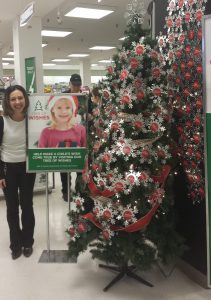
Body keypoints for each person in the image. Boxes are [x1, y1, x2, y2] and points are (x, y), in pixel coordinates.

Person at [0, 85, 36, 260]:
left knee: (27, 206)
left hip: (28, 168)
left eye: (20, 98)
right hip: (8, 169)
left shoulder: (32, 119)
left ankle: (28, 241)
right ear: (8, 101)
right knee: (12, 208)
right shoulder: (2, 121)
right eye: (13, 99)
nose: (17, 102)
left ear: (25, 99)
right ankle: (15, 244)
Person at [61, 74, 83, 201]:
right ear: (70, 84)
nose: (76, 87)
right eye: (74, 85)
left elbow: (89, 112)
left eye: (78, 85)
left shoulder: (84, 97)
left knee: (79, 165)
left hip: (80, 135)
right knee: (65, 166)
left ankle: (79, 189)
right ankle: (66, 191)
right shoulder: (63, 96)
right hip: (64, 135)